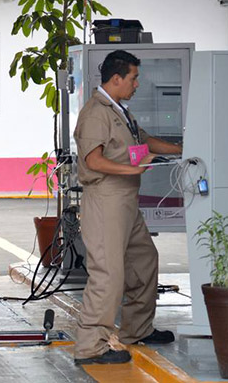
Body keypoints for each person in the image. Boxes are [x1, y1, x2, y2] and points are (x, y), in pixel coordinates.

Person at [73, 49, 183, 365]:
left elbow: (143, 141)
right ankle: (91, 346)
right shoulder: (96, 112)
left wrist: (181, 149)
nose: (137, 84)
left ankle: (136, 329)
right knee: (108, 274)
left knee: (144, 260)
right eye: (133, 78)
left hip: (126, 202)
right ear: (117, 78)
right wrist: (133, 170)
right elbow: (93, 159)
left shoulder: (120, 110)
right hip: (106, 199)